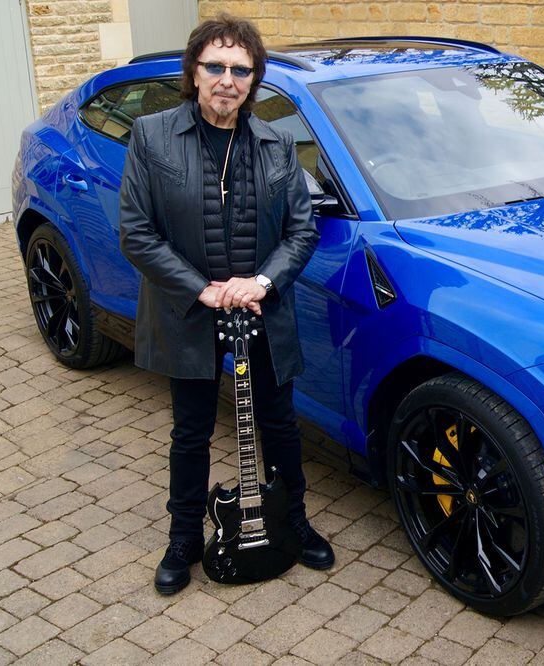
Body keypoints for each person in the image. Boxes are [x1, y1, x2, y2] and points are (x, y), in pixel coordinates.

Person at [119, 14, 329, 595]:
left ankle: (293, 521)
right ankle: (183, 537)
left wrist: (262, 282)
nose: (227, 79)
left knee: (280, 424)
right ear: (194, 71)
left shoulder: (277, 143)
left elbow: (301, 232)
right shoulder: (152, 135)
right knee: (190, 431)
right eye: (216, 66)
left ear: (253, 79)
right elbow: (136, 233)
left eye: (241, 69)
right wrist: (201, 288)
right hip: (189, 313)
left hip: (261, 312)